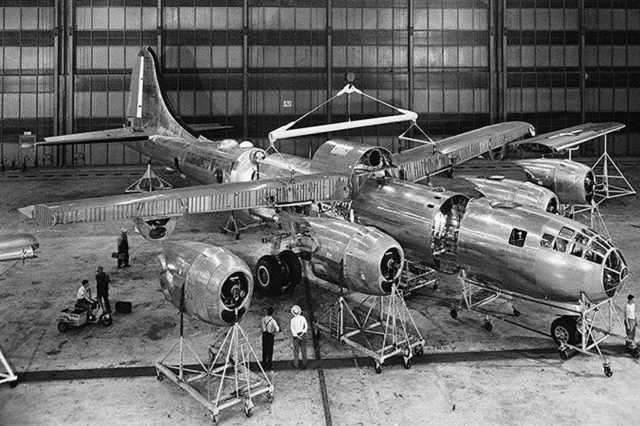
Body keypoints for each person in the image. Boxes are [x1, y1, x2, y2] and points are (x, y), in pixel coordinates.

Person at [290, 305, 308, 369]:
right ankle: (305, 363)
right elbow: (306, 326)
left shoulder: (292, 320)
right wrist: (303, 333)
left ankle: (296, 364)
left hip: (296, 336)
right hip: (303, 334)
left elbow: (292, 329)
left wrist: (297, 336)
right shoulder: (303, 318)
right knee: (303, 350)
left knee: (296, 350)